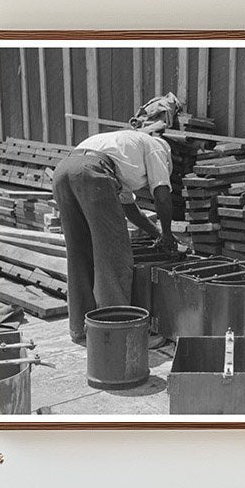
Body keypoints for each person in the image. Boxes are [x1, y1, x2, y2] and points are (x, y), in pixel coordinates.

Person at [52, 93, 181, 342]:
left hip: (64, 171)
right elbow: (162, 196)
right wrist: (167, 233)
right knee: (114, 256)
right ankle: (119, 333)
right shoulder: (156, 147)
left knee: (80, 252)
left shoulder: (123, 147)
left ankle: (81, 328)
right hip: (93, 174)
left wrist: (157, 234)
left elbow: (131, 210)